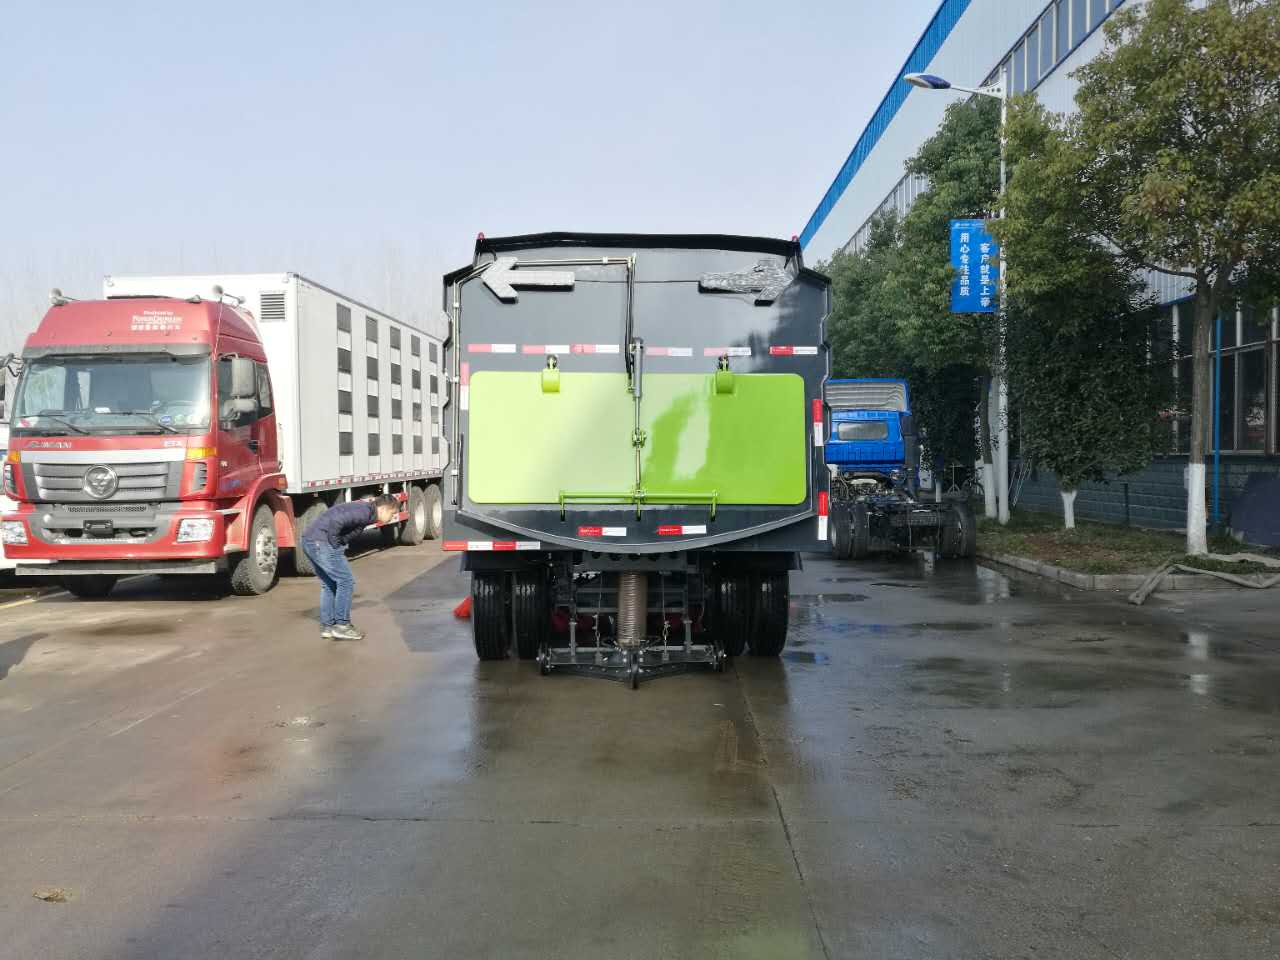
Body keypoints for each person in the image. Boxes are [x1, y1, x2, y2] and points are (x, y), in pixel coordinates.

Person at [300, 494, 399, 640]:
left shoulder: (367, 512)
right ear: (383, 509)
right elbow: (336, 521)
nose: (392, 517)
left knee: (329, 584)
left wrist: (341, 542)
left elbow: (350, 530)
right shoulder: (363, 512)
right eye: (392, 514)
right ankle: (342, 626)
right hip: (320, 542)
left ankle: (328, 627)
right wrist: (335, 544)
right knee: (345, 581)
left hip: (310, 540)